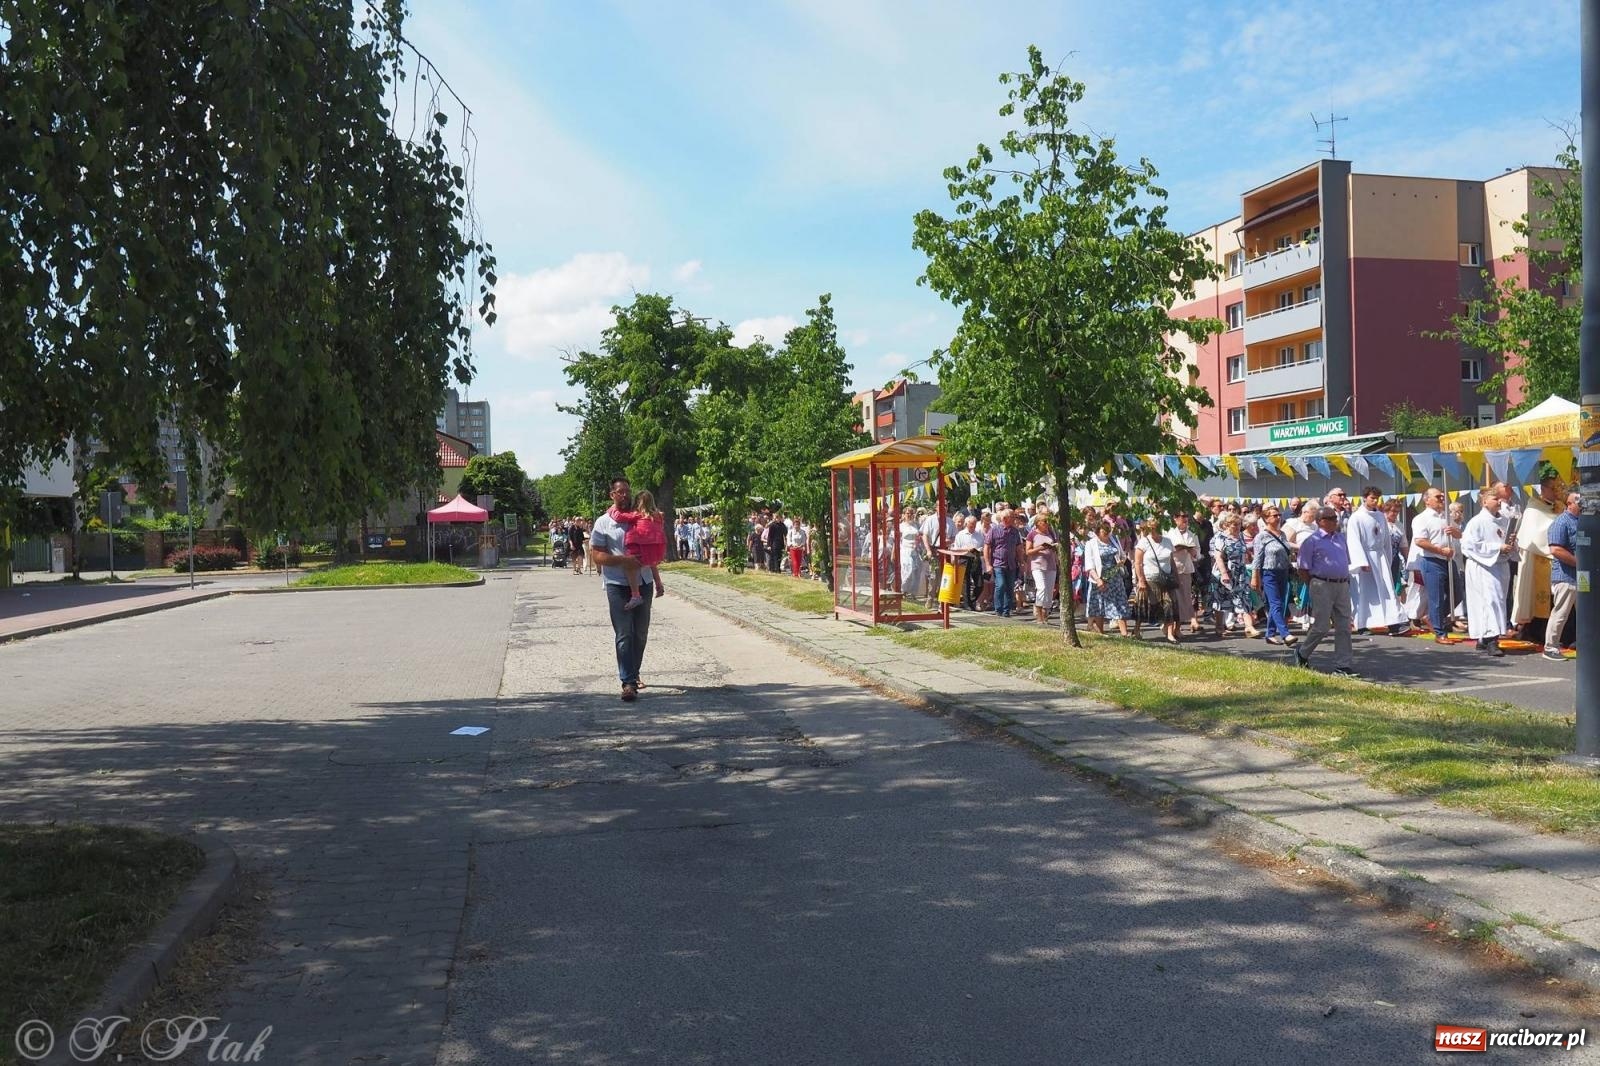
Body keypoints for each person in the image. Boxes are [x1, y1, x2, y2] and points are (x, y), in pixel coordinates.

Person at [589, 477, 655, 701]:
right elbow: (597, 555)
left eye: (627, 491)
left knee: (641, 633)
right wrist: (622, 561)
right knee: (624, 633)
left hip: (644, 582)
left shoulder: (640, 517)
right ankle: (628, 682)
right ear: (612, 495)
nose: (625, 495)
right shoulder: (603, 522)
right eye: (620, 492)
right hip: (617, 584)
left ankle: (634, 672)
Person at [1294, 507, 1357, 676]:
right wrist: (1313, 584)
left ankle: (1343, 665)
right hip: (1321, 584)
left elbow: (1345, 561)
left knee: (1344, 626)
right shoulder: (1312, 541)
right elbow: (1303, 568)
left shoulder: (1340, 538)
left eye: (1335, 518)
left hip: (1342, 585)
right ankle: (1303, 652)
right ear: (1320, 521)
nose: (1334, 521)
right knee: (1322, 626)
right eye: (1330, 518)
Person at [1460, 491, 1516, 656]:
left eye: (1499, 498)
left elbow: (1506, 541)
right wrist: (1497, 547)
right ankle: (1492, 639)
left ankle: (1483, 639)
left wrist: (1511, 543)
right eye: (1495, 498)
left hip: (1500, 565)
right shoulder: (1476, 522)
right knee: (1489, 601)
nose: (1499, 501)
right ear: (1484, 502)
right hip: (1483, 566)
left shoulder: (1504, 520)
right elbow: (1469, 546)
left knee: (1498, 601)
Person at [1346, 487, 1406, 636]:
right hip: (1365, 557)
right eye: (1372, 498)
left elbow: (1386, 539)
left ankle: (1393, 623)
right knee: (1364, 592)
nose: (1375, 501)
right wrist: (1361, 561)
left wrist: (1387, 557)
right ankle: (1362, 624)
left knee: (1387, 590)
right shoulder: (1356, 517)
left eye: (1377, 498)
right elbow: (1353, 540)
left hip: (1380, 556)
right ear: (1364, 498)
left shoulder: (1380, 516)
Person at [1411, 488, 1460, 644]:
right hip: (1432, 560)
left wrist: (1455, 532)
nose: (1442, 499)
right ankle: (1440, 633)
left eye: (1443, 497)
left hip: (1449, 560)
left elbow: (1459, 534)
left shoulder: (1446, 517)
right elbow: (1420, 541)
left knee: (1457, 594)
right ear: (1427, 500)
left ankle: (1433, 618)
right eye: (1438, 497)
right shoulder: (1421, 518)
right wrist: (1440, 550)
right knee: (1436, 598)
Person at [608, 489, 668, 610]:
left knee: (630, 566)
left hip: (639, 545)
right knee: (652, 564)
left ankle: (635, 595)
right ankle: (658, 584)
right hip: (654, 547)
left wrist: (612, 509)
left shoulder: (637, 515)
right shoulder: (658, 516)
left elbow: (618, 516)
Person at [1250, 505, 1295, 645]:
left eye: (1279, 515)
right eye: (1274, 515)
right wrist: (1255, 577)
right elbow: (1257, 559)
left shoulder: (1282, 534)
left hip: (1283, 572)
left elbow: (1287, 552)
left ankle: (1270, 634)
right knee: (1276, 604)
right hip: (1269, 573)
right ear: (1266, 519)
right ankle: (1285, 633)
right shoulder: (1261, 536)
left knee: (1279, 603)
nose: (1278, 517)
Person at [1209, 513, 1259, 638]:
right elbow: (1218, 557)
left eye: (1239, 524)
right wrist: (1224, 574)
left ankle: (1249, 627)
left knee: (1245, 598)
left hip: (1240, 573)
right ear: (1226, 525)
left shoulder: (1240, 536)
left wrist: (1251, 558)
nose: (1237, 527)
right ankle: (1219, 626)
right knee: (1221, 599)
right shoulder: (1221, 537)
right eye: (1234, 525)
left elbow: (1244, 551)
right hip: (1225, 572)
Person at [1545, 490, 1580, 661]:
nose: (1582, 504)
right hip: (1565, 576)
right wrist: (1578, 563)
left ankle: (1586, 643)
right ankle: (1550, 647)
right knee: (1560, 614)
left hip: (1582, 577)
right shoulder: (1561, 522)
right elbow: (1555, 549)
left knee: (1588, 613)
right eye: (1578, 501)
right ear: (1569, 503)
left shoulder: (1584, 521)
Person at [1132, 517, 1179, 643]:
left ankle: (1170, 633)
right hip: (1149, 579)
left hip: (1166, 579)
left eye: (1155, 528)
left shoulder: (1167, 541)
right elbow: (1138, 563)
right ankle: (1136, 630)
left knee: (1169, 604)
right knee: (1144, 606)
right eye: (1151, 528)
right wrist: (1141, 580)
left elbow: (1171, 561)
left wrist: (1176, 576)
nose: (1153, 531)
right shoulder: (1143, 543)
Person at [1083, 520, 1131, 637]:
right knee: (1100, 605)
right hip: (1100, 578)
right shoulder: (1091, 544)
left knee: (1120, 603)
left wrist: (1121, 561)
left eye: (1108, 530)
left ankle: (1124, 633)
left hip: (1115, 578)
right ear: (1097, 531)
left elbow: (1122, 555)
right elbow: (1089, 565)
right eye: (1104, 530)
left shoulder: (1114, 539)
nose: (1107, 532)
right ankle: (1100, 633)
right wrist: (1098, 579)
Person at [984, 508, 1022, 618]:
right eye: (1012, 517)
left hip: (1011, 564)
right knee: (1000, 585)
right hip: (998, 563)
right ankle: (998, 609)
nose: (1014, 519)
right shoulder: (994, 530)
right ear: (1005, 518)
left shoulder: (1015, 531)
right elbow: (987, 547)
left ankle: (1006, 611)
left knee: (1010, 587)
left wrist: (1021, 561)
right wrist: (988, 564)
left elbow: (1018, 547)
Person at [1024, 512, 1059, 625]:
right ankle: (1038, 613)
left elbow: (1055, 546)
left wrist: (1054, 548)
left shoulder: (1051, 533)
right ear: (1038, 523)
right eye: (1044, 521)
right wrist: (1040, 548)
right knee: (1041, 588)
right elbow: (1028, 551)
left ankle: (1045, 614)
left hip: (1051, 565)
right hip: (1037, 565)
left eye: (1048, 522)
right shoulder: (1032, 534)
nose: (1047, 524)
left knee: (1049, 591)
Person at [953, 514, 985, 610]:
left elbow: (983, 546)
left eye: (974, 524)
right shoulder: (960, 535)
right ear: (967, 524)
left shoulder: (979, 534)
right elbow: (956, 548)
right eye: (971, 524)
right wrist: (967, 549)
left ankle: (971, 600)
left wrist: (979, 550)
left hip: (976, 558)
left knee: (979, 584)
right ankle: (967, 604)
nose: (973, 526)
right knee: (966, 583)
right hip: (964, 558)